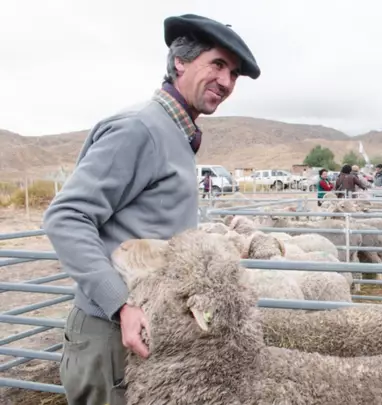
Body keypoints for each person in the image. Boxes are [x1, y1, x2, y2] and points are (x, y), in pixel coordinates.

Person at [42, 14, 260, 405]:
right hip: (112, 335)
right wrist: (120, 305)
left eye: (234, 73)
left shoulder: (175, 134)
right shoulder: (139, 129)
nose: (226, 81)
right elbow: (66, 217)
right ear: (180, 62)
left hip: (141, 330)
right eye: (217, 64)